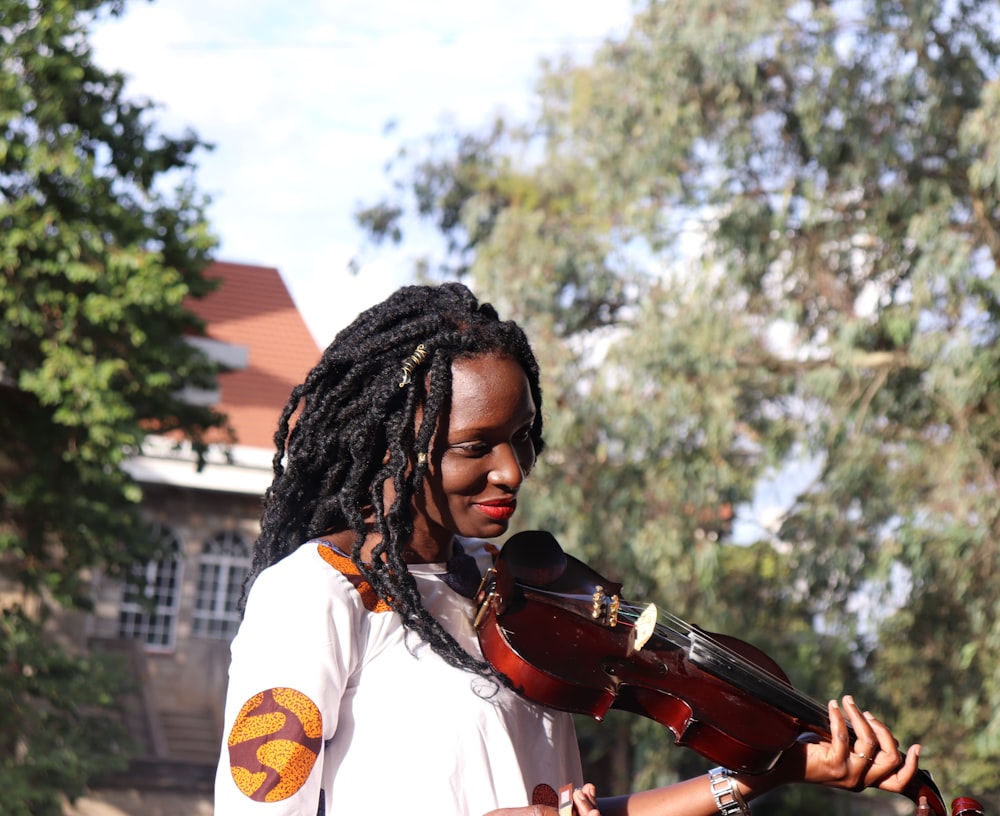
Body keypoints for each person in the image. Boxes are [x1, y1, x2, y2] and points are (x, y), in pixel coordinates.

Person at [214, 282, 923, 816]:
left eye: (522, 437)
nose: (513, 472)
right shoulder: (316, 596)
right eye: (474, 446)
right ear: (389, 449)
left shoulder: (516, 596)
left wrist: (773, 769)